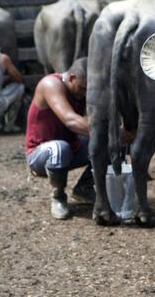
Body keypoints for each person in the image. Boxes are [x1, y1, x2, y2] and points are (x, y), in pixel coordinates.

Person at [25, 57, 96, 220]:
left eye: (88, 90)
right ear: (71, 78)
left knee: (108, 143)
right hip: (39, 154)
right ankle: (58, 197)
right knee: (59, 148)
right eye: (82, 88)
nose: (85, 94)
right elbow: (71, 121)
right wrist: (108, 132)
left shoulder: (79, 90)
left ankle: (84, 188)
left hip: (72, 148)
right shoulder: (50, 84)